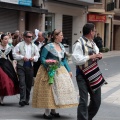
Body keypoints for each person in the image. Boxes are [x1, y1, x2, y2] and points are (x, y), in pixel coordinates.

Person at [32, 29, 78, 119]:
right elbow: (42, 58)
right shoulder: (48, 46)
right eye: (61, 35)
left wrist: (69, 70)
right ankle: (46, 112)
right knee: (49, 91)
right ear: (56, 36)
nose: (62, 37)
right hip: (48, 70)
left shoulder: (61, 46)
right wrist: (48, 65)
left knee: (56, 91)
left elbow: (64, 59)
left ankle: (53, 111)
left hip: (60, 70)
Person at [72, 23, 103, 120]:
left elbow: (96, 52)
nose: (95, 32)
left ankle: (87, 118)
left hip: (94, 74)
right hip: (82, 75)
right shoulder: (78, 43)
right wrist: (90, 56)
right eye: (94, 31)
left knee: (96, 101)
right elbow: (76, 60)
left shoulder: (93, 43)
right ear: (91, 32)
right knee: (83, 100)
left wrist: (99, 55)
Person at [13, 31, 39, 107]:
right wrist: (21, 57)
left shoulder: (34, 46)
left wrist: (33, 58)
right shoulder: (19, 45)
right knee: (22, 83)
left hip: (30, 66)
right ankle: (22, 99)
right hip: (21, 66)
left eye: (31, 37)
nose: (30, 38)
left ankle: (27, 99)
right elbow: (14, 54)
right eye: (29, 37)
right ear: (24, 37)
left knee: (28, 84)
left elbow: (37, 55)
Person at [0, 34, 19, 105]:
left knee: (5, 81)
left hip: (6, 65)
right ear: (1, 40)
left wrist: (15, 61)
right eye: (5, 39)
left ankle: (1, 98)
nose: (6, 41)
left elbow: (11, 57)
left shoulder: (9, 47)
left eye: (7, 39)